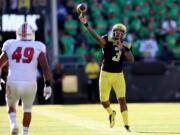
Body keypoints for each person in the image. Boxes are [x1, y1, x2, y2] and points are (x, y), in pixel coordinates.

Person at [79, 15, 134, 131]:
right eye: (116, 31)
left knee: (122, 100)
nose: (118, 34)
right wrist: (86, 25)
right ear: (113, 32)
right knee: (103, 101)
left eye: (120, 32)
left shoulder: (126, 45)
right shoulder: (108, 40)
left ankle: (127, 125)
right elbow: (96, 37)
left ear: (124, 34)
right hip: (105, 73)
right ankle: (111, 113)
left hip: (118, 75)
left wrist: (122, 49)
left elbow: (131, 60)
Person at [0, 22, 52, 135]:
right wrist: (47, 84)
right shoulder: (38, 45)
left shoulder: (10, 44)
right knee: (27, 109)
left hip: (13, 80)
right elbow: (45, 66)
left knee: (11, 106)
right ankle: (25, 133)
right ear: (31, 33)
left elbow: (0, 63)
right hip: (30, 82)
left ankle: (13, 124)